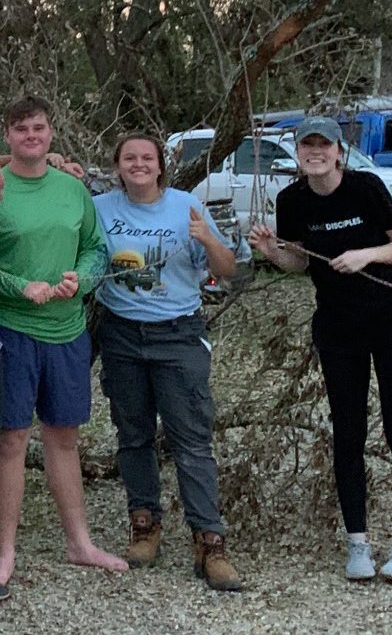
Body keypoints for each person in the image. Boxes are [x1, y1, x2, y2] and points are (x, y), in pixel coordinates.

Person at [248, 116, 392, 583]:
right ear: (298, 154)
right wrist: (272, 251)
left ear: (337, 152)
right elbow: (299, 261)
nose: (315, 153)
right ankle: (358, 543)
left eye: (323, 146)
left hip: (389, 320)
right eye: (307, 147)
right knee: (347, 431)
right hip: (337, 326)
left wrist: (365, 255)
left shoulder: (366, 187)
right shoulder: (292, 200)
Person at [93, 132, 242, 592]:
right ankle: (144, 523)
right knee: (133, 434)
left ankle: (210, 540)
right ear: (117, 166)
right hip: (120, 333)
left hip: (178, 334)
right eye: (129, 158)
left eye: (147, 158)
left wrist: (207, 240)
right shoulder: (99, 208)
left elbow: (230, 270)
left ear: (161, 166)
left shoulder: (185, 206)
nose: (139, 165)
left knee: (191, 441)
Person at [0, 96, 128, 603]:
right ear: (7, 135)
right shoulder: (1, 185)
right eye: (21, 128)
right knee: (10, 441)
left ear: (51, 134)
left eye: (39, 128)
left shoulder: (73, 188)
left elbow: (96, 247)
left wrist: (86, 277)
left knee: (64, 437)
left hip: (67, 331)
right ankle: (4, 550)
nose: (31, 136)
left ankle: (80, 543)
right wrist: (18, 286)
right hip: (12, 328)